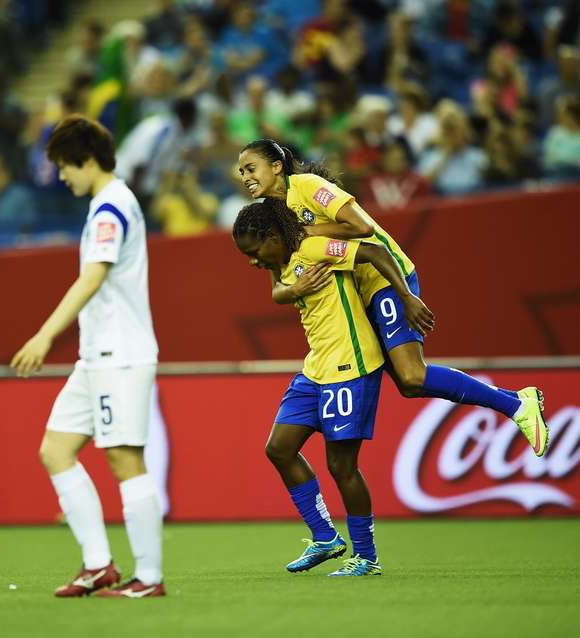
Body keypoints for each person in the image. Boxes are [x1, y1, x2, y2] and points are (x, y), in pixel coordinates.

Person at [236, 138, 549, 457]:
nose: (245, 177)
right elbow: (277, 284)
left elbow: (362, 226)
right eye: (241, 172)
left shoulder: (307, 186)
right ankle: (515, 400)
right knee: (408, 384)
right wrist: (295, 290)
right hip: (358, 292)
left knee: (413, 374)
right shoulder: (270, 215)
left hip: (385, 275)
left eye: (251, 168)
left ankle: (515, 405)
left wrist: (405, 295)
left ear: (276, 166)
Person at [232, 197, 433, 575]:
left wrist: (406, 296)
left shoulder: (313, 247)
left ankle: (367, 557)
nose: (253, 260)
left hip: (349, 363)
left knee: (341, 466)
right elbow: (278, 291)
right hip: (316, 366)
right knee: (279, 448)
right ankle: (326, 538)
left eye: (254, 251)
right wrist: (292, 289)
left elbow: (372, 250)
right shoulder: (285, 263)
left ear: (274, 237)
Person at [11, 114, 164, 598]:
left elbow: (92, 277)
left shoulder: (110, 209)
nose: (61, 175)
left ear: (85, 158)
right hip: (96, 356)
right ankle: (99, 565)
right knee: (55, 451)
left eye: (63, 165)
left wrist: (42, 336)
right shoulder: (111, 203)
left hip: (119, 354)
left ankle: (149, 578)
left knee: (123, 459)